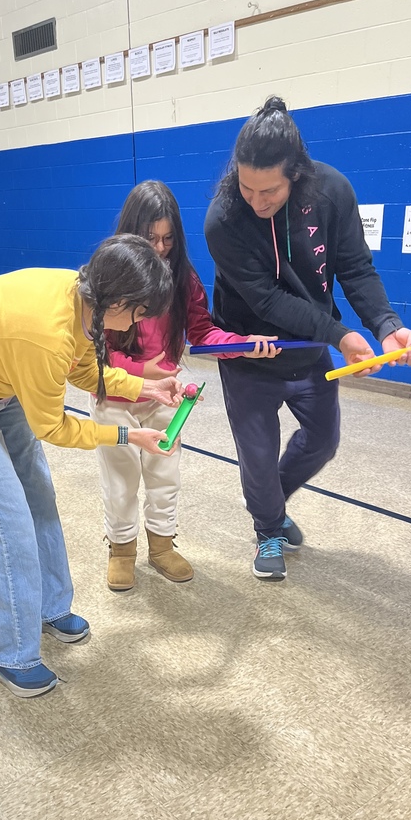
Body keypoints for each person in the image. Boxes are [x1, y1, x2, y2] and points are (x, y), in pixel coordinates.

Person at [0, 234, 181, 698]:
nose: (138, 323)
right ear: (115, 299)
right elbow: (54, 428)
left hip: (3, 381)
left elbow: (77, 368)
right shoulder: (44, 329)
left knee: (39, 499)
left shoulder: (82, 300)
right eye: (138, 312)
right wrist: (126, 434)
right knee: (6, 521)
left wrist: (141, 388)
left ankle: (51, 608)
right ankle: (10, 653)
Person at [205, 96, 411, 583]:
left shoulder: (332, 192)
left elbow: (354, 268)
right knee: (258, 456)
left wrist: (385, 325)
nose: (256, 201)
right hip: (249, 353)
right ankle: (267, 528)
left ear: (297, 174)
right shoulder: (223, 220)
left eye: (270, 191)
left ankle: (271, 503)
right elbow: (267, 301)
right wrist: (342, 334)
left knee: (323, 441)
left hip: (309, 349)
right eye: (246, 187)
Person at [91, 180, 277, 592]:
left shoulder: (183, 277)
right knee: (120, 481)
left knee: (164, 476)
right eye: (150, 238)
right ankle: (122, 549)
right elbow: (92, 353)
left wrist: (244, 346)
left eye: (168, 239)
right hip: (115, 398)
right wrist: (136, 377)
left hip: (164, 399)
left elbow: (203, 332)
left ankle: (161, 545)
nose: (159, 249)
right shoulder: (109, 276)